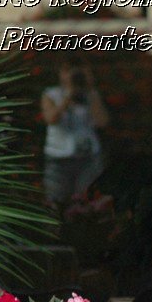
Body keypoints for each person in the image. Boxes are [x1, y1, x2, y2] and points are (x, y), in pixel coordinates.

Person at [40, 62, 109, 210]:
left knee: (87, 204)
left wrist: (89, 90)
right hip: (59, 158)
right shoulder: (51, 94)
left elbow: (102, 122)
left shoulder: (91, 94)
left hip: (88, 158)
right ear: (61, 73)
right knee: (56, 203)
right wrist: (68, 95)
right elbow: (51, 119)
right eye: (70, 71)